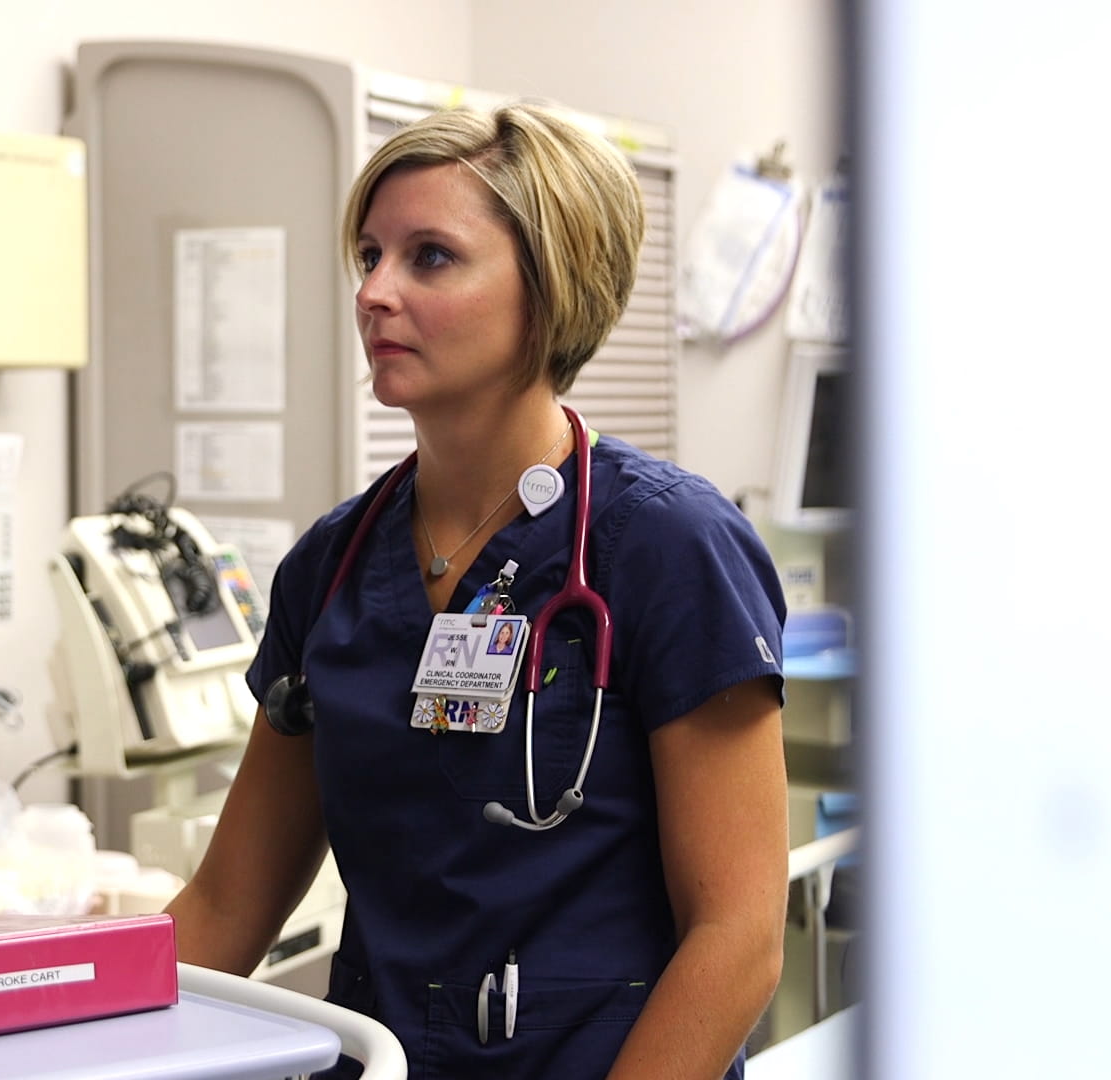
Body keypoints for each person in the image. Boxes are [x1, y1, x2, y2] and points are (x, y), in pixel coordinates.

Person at [163, 102, 789, 1080]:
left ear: (550, 290)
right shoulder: (331, 567)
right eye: (368, 255)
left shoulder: (667, 548)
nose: (374, 292)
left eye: (430, 257)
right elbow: (226, 906)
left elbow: (738, 937)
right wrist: (57, 1041)